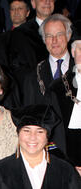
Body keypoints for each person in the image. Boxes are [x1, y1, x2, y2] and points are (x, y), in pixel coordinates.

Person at [21, 14, 73, 106]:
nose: (54, 40)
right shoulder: (32, 77)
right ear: (44, 40)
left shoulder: (78, 69)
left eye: (59, 34)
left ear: (68, 36)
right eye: (49, 36)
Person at [50, 20, 81, 169]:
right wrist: (67, 166)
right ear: (73, 52)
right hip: (67, 166)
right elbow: (52, 135)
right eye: (80, 49)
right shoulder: (58, 88)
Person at [8, 0, 55, 90]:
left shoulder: (66, 28)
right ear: (33, 4)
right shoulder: (20, 34)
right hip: (34, 92)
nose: (47, 2)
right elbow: (18, 70)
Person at [0, 0, 30, 68]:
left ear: (27, 13)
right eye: (13, 9)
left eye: (20, 8)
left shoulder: (35, 36)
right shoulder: (1, 39)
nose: (16, 12)